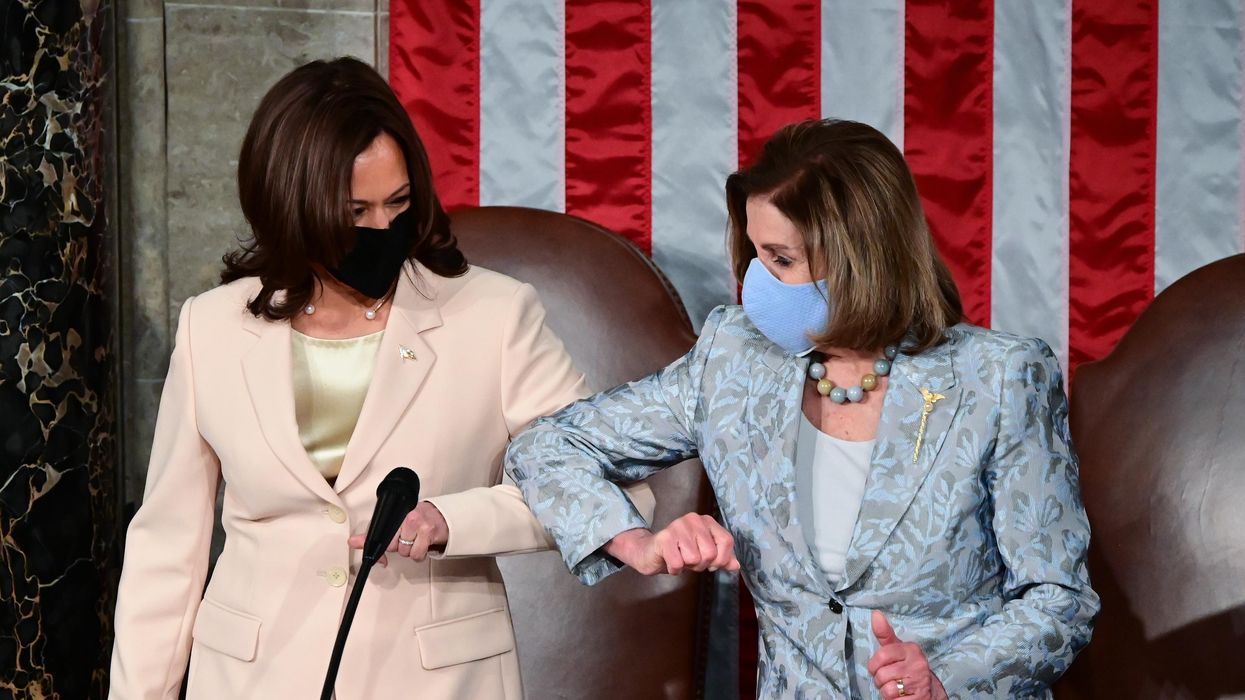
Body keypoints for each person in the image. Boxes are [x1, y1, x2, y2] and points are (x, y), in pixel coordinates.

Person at [109, 56, 650, 699]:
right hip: (250, 678)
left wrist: (454, 520)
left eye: (396, 204)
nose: (380, 231)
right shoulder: (212, 326)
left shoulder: (495, 315)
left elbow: (614, 490)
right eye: (353, 212)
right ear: (290, 205)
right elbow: (167, 547)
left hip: (434, 681)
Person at [506, 119, 1099, 699]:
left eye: (782, 260)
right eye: (755, 254)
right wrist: (634, 540)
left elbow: (1059, 597)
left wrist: (950, 678)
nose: (757, 281)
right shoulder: (733, 359)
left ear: (860, 258)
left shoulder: (1000, 376)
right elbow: (547, 445)